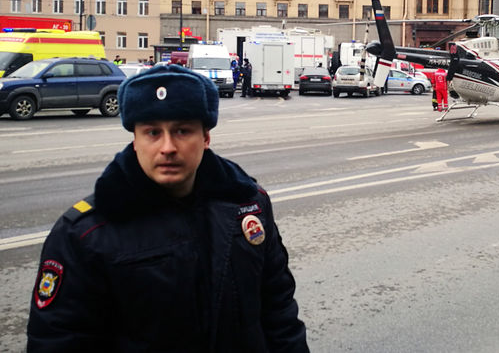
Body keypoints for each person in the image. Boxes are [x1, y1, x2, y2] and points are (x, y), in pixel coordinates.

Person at [26, 64, 308, 351]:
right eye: (152, 133)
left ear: (206, 138)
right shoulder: (85, 234)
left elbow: (279, 311)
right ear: (134, 140)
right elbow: (58, 340)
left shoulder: (248, 205)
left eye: (182, 131)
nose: (168, 147)